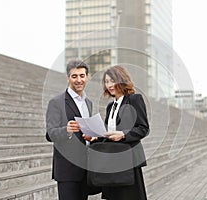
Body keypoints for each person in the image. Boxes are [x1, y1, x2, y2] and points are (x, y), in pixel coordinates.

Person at [85, 65, 149, 200]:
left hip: (128, 160)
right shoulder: (110, 106)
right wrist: (95, 138)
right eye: (107, 82)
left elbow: (143, 128)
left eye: (112, 80)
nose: (109, 85)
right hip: (112, 161)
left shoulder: (134, 99)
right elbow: (109, 133)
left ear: (121, 80)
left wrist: (124, 135)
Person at [46, 60, 100, 200]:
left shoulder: (88, 103)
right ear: (68, 78)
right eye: (74, 76)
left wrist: (92, 136)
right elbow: (50, 134)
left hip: (85, 168)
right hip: (67, 170)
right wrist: (67, 130)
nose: (79, 80)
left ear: (87, 77)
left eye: (82, 76)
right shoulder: (56, 102)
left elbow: (86, 130)